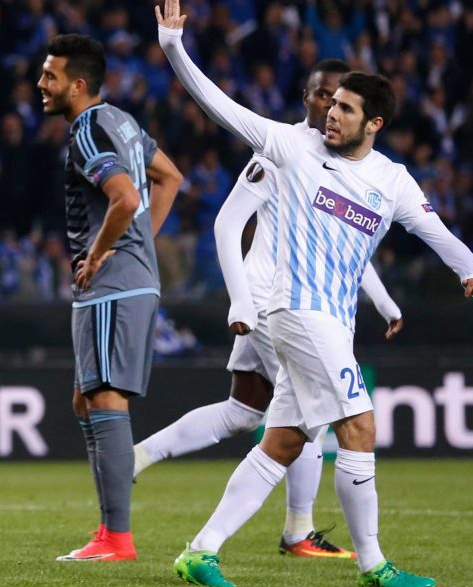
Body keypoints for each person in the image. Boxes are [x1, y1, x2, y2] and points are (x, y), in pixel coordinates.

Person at [156, 0, 473, 587]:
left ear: (374, 124)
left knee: (284, 441)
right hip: (296, 310)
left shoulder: (390, 180)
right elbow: (220, 106)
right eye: (331, 104)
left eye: (346, 109)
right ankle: (373, 564)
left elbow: (435, 231)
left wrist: (472, 270)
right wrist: (175, 47)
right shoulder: (291, 145)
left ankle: (200, 551)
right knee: (359, 426)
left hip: (330, 318)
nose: (330, 115)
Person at [134, 59, 405, 560]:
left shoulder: (343, 165)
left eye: (341, 98)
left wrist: (385, 302)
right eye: (324, 96)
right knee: (312, 418)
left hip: (285, 301)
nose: (330, 106)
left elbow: (348, 247)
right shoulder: (282, 150)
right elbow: (226, 222)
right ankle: (298, 531)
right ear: (306, 97)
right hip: (277, 301)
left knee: (245, 411)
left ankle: (136, 458)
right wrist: (242, 297)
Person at [37, 34, 183, 561]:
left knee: (103, 397)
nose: (40, 84)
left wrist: (101, 253)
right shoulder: (121, 120)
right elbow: (169, 178)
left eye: (50, 76)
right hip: (130, 277)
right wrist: (140, 241)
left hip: (112, 285)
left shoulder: (87, 129)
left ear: (77, 84)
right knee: (86, 398)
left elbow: (124, 196)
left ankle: (116, 536)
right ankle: (108, 531)